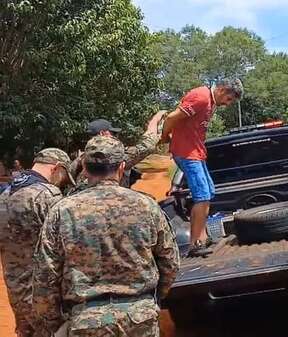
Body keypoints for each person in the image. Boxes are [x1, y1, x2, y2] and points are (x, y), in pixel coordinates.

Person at [33, 135, 180, 336]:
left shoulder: (62, 211)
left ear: (84, 166)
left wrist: (55, 323)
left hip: (86, 322)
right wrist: (152, 300)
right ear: (121, 167)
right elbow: (170, 263)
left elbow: (45, 277)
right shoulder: (147, 206)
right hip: (139, 318)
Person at [160, 78, 243, 256]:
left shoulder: (210, 101)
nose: (227, 104)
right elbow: (172, 117)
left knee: (208, 193)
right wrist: (165, 136)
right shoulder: (201, 97)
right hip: (186, 153)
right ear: (221, 90)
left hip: (197, 153)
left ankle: (203, 237)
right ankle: (194, 244)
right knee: (202, 196)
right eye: (228, 99)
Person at [0, 148, 75, 337]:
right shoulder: (48, 195)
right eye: (64, 177)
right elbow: (66, 244)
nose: (62, 183)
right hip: (44, 295)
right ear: (57, 168)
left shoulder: (5, 194)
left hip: (17, 290)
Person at [69, 111, 165, 193]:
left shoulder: (80, 158)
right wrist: (156, 119)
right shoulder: (114, 156)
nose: (115, 136)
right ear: (102, 133)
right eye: (112, 133)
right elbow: (147, 145)